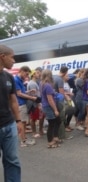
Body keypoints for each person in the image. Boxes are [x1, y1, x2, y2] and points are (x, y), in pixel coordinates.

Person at [0, 45, 23, 182]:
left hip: (9, 125)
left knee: (12, 161)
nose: (14, 60)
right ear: (2, 56)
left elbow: (13, 100)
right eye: (12, 57)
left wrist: (19, 121)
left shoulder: (8, 77)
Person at [14, 66, 37, 147]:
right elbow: (19, 93)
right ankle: (23, 141)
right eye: (26, 74)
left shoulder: (19, 80)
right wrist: (32, 98)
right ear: (22, 71)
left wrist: (29, 91)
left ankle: (24, 139)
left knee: (23, 123)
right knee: (22, 123)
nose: (26, 76)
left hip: (22, 103)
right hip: (20, 104)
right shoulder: (16, 80)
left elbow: (21, 91)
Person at [40, 69, 61, 148]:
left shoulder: (42, 84)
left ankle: (55, 137)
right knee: (51, 124)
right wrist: (55, 110)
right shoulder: (47, 85)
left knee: (58, 121)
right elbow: (50, 99)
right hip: (49, 107)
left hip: (46, 106)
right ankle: (50, 142)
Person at [53, 66, 73, 140]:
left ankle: (56, 135)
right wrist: (68, 99)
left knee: (57, 119)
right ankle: (62, 136)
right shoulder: (60, 79)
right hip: (59, 101)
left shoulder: (54, 77)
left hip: (54, 100)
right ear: (65, 72)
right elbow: (61, 93)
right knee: (61, 118)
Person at [27, 68, 45, 138]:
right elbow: (34, 95)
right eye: (37, 73)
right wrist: (38, 104)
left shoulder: (34, 82)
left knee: (41, 117)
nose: (39, 74)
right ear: (33, 75)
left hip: (37, 103)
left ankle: (40, 130)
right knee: (33, 118)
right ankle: (34, 132)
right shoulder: (32, 83)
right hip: (34, 104)